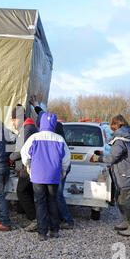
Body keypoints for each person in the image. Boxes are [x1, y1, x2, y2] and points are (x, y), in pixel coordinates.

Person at [90, 115, 130, 237]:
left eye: (112, 124)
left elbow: (112, 157)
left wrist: (99, 158)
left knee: (126, 202)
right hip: (127, 174)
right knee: (119, 199)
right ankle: (126, 222)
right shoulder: (124, 137)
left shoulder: (121, 139)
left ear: (116, 125)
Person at [21, 112, 71, 241]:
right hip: (54, 175)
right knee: (52, 201)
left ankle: (42, 232)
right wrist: (63, 171)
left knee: (40, 203)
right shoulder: (60, 139)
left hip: (37, 175)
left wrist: (28, 166)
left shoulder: (34, 138)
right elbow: (66, 159)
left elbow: (25, 155)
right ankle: (54, 230)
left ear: (41, 123)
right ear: (54, 124)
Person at [30, 96, 75, 229]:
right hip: (58, 165)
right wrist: (36, 105)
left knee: (56, 196)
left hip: (58, 166)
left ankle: (67, 221)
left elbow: (65, 158)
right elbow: (43, 114)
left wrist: (62, 170)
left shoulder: (52, 132)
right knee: (53, 197)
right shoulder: (54, 125)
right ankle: (54, 223)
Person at [9, 104, 38, 232]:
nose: (13, 122)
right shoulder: (29, 126)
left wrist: (9, 157)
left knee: (21, 191)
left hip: (27, 167)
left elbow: (20, 150)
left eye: (13, 119)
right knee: (28, 191)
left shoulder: (26, 129)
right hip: (29, 165)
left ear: (19, 118)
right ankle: (28, 213)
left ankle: (34, 219)